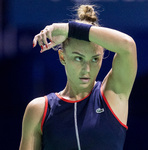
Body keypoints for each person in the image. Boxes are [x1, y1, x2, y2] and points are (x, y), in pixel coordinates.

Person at [19, 4, 137, 150]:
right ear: (62, 57)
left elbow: (128, 46)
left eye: (95, 59)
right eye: (78, 58)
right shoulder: (39, 110)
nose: (87, 69)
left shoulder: (112, 94)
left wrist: (68, 29)